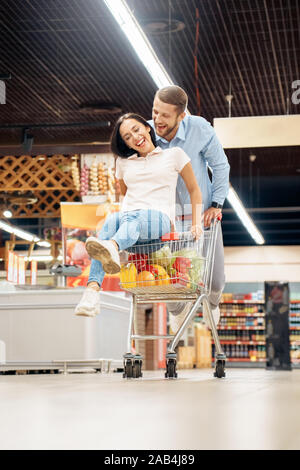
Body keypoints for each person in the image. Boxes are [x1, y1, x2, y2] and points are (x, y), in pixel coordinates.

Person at [75, 113, 203, 317]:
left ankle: (112, 247)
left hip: (159, 223)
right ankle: (92, 293)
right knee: (113, 220)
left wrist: (196, 223)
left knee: (128, 221)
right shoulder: (123, 163)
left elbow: (194, 189)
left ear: (147, 128)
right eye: (127, 137)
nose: (134, 137)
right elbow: (125, 195)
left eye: (136, 129)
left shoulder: (174, 155)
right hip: (131, 232)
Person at [149, 85, 230, 329]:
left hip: (201, 216)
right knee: (170, 278)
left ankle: (213, 304)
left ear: (181, 115)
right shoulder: (147, 133)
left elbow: (220, 166)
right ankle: (178, 309)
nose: (157, 120)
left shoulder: (200, 128)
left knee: (214, 281)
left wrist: (216, 204)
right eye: (154, 111)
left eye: (165, 115)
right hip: (167, 219)